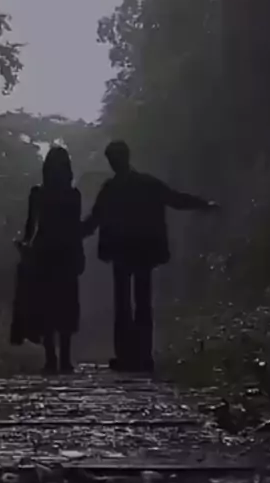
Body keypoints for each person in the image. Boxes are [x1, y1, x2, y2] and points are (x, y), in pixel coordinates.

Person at [82, 140, 219, 374]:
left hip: (125, 251)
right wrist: (204, 204)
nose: (114, 163)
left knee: (127, 304)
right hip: (141, 250)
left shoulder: (112, 188)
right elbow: (175, 199)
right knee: (139, 303)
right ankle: (140, 356)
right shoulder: (143, 184)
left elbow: (94, 220)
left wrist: (71, 233)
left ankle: (129, 355)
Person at [10, 146, 84, 373]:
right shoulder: (73, 195)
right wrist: (79, 253)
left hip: (44, 253)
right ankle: (64, 360)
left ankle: (52, 359)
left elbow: (30, 226)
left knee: (47, 307)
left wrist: (25, 246)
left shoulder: (38, 193)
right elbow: (75, 228)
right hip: (65, 253)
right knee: (65, 305)